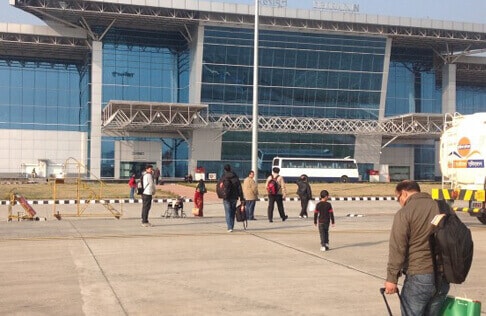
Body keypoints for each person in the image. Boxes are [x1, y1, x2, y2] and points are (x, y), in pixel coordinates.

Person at [384, 180, 450, 316]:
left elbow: (398, 248)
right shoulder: (443, 207)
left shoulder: (405, 213)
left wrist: (392, 278)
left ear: (404, 193)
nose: (400, 203)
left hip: (419, 275)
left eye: (398, 199)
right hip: (443, 276)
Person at [221, 164, 244, 232]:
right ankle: (232, 225)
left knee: (227, 212)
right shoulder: (235, 177)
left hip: (226, 197)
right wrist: (241, 197)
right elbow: (239, 188)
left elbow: (220, 186)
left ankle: (229, 227)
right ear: (230, 169)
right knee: (233, 211)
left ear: (225, 169)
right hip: (234, 197)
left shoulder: (223, 177)